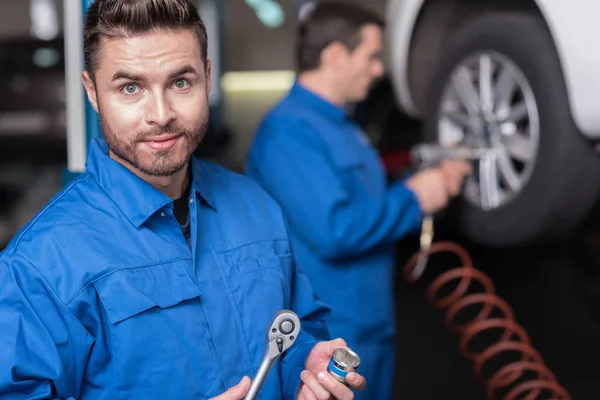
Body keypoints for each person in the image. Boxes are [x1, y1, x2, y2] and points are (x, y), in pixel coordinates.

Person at [0, 1, 367, 399]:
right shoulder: (40, 262)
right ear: (92, 92)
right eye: (130, 87)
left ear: (207, 77)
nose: (160, 114)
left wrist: (306, 367)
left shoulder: (256, 207)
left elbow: (294, 325)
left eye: (180, 83)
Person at [246, 2, 472, 399]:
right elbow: (336, 231)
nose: (378, 69)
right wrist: (415, 197)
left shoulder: (342, 126)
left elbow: (363, 201)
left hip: (370, 324)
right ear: (335, 56)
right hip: (330, 335)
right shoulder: (289, 132)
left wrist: (420, 185)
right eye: (371, 56)